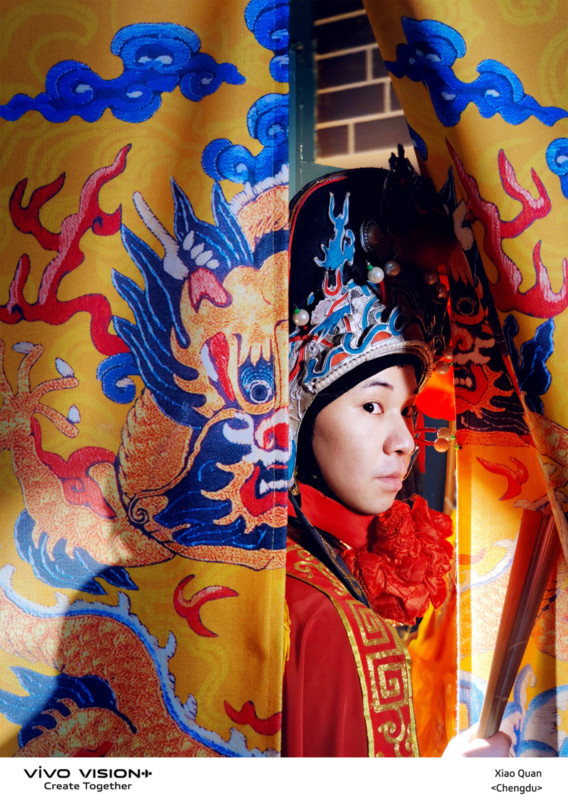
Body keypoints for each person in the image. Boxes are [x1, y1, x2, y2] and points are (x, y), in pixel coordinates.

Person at [282, 149, 511, 758]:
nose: (405, 440)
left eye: (407, 410)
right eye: (371, 406)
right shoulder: (308, 610)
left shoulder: (371, 565)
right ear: (302, 419)